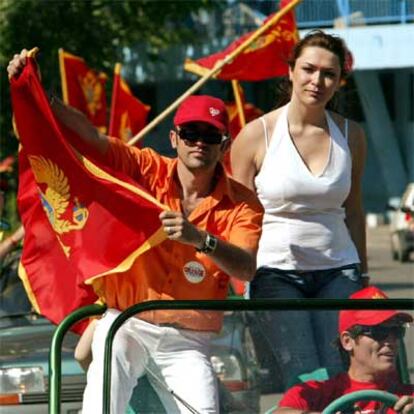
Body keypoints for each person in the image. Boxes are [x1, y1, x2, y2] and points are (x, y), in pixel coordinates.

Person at [8, 49, 263, 414]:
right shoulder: (145, 167)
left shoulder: (245, 203)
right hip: (128, 320)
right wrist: (43, 95)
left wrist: (200, 239)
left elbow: (245, 268)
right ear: (174, 139)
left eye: (210, 135)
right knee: (101, 405)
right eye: (191, 133)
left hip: (189, 339)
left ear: (224, 145)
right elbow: (90, 138)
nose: (199, 142)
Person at [230, 29, 368, 386]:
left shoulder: (352, 135)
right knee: (303, 377)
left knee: (343, 372)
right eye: (308, 69)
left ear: (339, 82)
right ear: (290, 71)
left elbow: (353, 210)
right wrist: (236, 277)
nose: (317, 80)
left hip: (340, 270)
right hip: (275, 272)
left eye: (329, 74)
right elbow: (237, 217)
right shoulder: (253, 136)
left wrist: (363, 276)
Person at [274, 286, 414, 414]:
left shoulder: (409, 399)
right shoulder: (319, 392)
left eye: (396, 331)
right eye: (379, 331)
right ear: (347, 341)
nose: (391, 341)